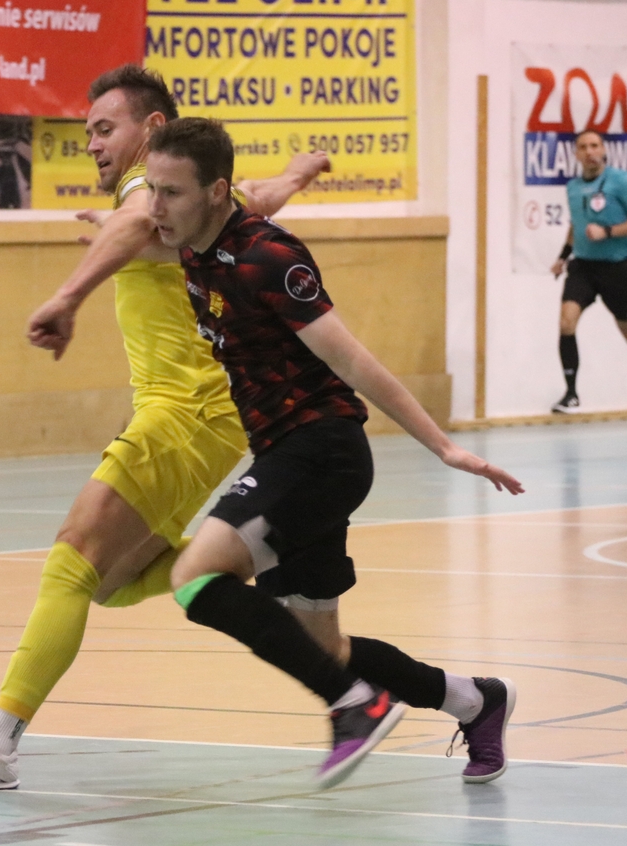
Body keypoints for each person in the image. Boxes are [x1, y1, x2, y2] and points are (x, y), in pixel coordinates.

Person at [0, 65, 330, 788]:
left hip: (185, 411)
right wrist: (298, 173)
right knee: (110, 584)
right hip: (211, 417)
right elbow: (259, 198)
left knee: (73, 559)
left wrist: (68, 297)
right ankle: (262, 548)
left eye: (105, 128)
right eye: (89, 133)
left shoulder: (143, 188)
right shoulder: (198, 198)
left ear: (152, 128)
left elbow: (133, 223)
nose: (94, 144)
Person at [144, 116, 525, 789]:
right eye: (151, 190)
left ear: (215, 192)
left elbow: (353, 360)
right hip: (286, 453)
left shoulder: (269, 257)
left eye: (169, 192)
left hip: (320, 451)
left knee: (195, 580)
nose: (154, 207)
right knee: (324, 649)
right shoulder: (196, 241)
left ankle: (354, 706)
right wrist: (299, 171)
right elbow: (262, 192)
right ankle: (474, 700)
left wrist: (443, 447)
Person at [550, 130, 627, 418]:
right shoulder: (573, 187)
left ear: (604, 150)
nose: (589, 151)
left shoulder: (620, 182)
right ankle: (571, 394)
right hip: (583, 267)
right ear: (576, 154)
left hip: (616, 269)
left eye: (594, 145)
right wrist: (562, 257)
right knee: (566, 322)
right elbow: (576, 225)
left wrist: (608, 231)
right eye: (583, 147)